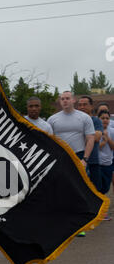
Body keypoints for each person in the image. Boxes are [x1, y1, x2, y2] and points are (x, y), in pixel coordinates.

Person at [48, 91, 95, 237]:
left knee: (80, 191)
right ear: (60, 102)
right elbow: (49, 141)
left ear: (73, 100)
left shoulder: (84, 118)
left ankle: (80, 225)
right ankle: (64, 223)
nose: (65, 101)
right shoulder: (52, 119)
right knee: (62, 191)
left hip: (79, 156)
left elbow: (90, 138)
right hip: (61, 158)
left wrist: (85, 159)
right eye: (62, 99)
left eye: (67, 98)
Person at [77, 95, 103, 191]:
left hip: (92, 161)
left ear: (91, 106)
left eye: (85, 104)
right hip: (78, 161)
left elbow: (97, 137)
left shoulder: (96, 121)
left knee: (96, 191)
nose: (82, 107)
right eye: (79, 105)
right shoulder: (75, 121)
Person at [98, 110, 114, 220]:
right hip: (98, 164)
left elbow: (113, 148)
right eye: (102, 118)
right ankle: (100, 213)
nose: (105, 120)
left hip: (109, 163)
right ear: (99, 119)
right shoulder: (96, 131)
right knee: (99, 188)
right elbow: (95, 148)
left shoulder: (112, 131)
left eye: (107, 118)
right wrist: (102, 141)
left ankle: (102, 212)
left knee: (106, 188)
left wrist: (107, 139)